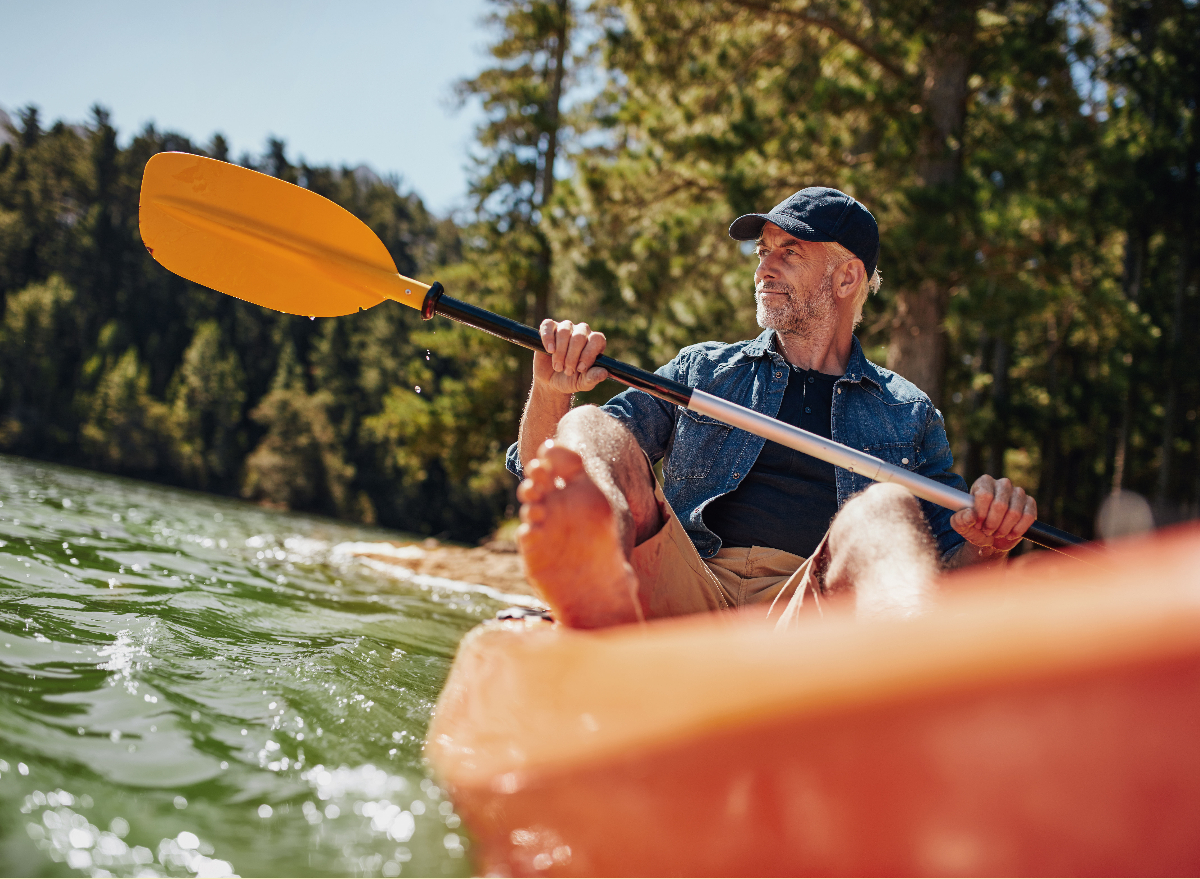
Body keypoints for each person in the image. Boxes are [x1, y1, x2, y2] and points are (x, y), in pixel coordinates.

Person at [505, 187, 1037, 629]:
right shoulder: (705, 370)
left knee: (884, 512)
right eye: (763, 252)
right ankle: (591, 578)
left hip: (804, 623)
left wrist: (989, 545)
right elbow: (542, 465)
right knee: (588, 426)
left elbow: (947, 573)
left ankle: (887, 689)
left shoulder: (908, 412)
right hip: (681, 589)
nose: (764, 269)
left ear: (847, 278)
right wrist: (554, 392)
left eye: (789, 252)